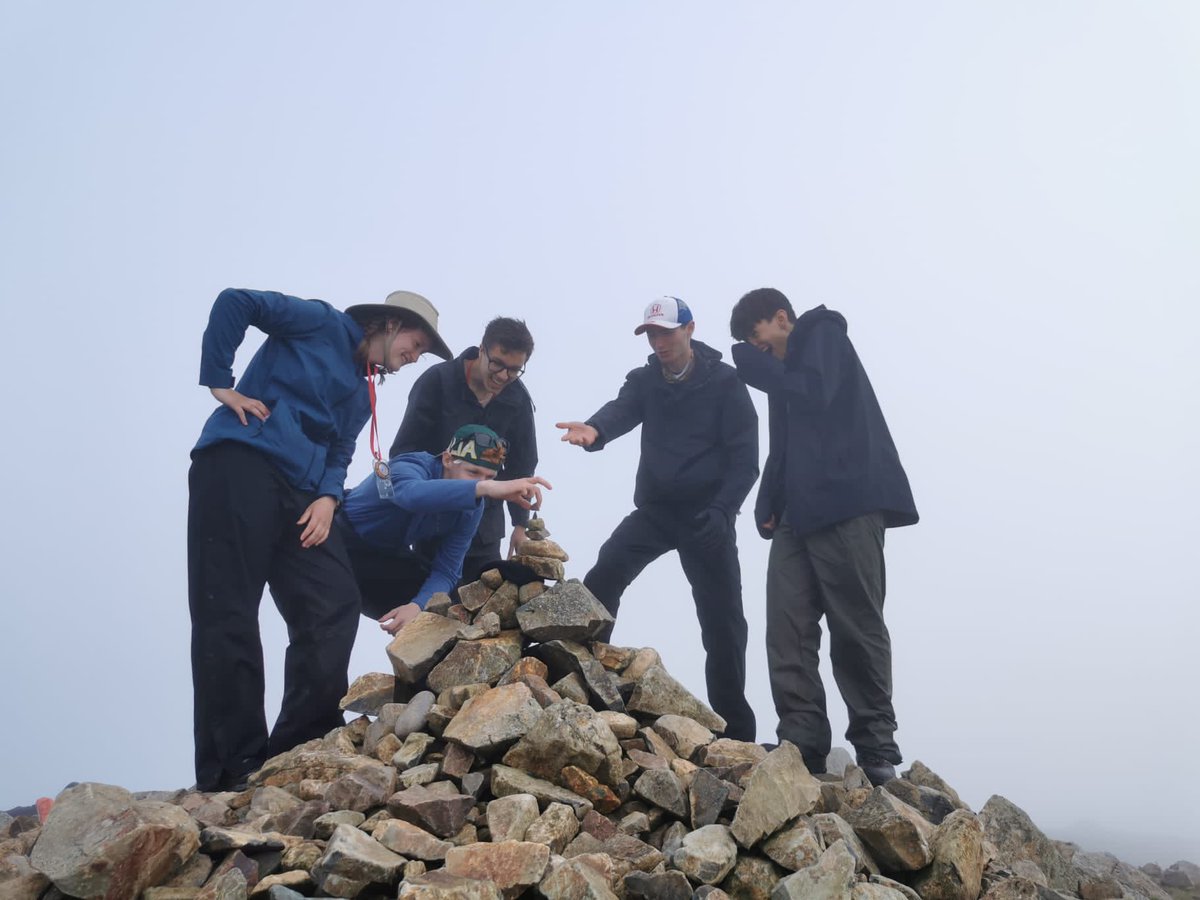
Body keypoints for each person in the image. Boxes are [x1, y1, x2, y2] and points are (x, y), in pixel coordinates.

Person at [188, 287, 451, 792]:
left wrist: (330, 497)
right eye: (416, 344)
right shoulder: (320, 322)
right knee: (228, 611)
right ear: (390, 324)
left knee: (334, 602)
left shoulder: (363, 387)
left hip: (304, 498)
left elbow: (341, 447)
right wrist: (219, 382)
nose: (414, 358)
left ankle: (295, 750)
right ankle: (231, 768)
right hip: (240, 463)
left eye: (420, 354)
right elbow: (235, 302)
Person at [729, 287, 919, 786]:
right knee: (786, 629)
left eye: (758, 337)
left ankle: (877, 751)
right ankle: (803, 743)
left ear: (782, 318)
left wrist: (757, 366)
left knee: (856, 626)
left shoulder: (823, 335)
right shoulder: (783, 374)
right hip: (798, 513)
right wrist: (769, 500)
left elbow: (816, 393)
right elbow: (784, 445)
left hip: (849, 502)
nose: (759, 349)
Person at [557, 297, 760, 742]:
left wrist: (723, 511)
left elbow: (746, 461)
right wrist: (596, 431)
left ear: (690, 329)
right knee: (606, 572)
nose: (659, 342)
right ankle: (585, 684)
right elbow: (622, 409)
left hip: (709, 516)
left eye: (666, 332)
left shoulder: (726, 383)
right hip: (657, 510)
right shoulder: (646, 380)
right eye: (652, 334)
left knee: (724, 621)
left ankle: (736, 734)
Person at [340, 424, 552, 635]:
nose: (481, 481)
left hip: (383, 557)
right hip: (336, 538)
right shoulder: (408, 465)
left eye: (489, 476)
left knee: (447, 611)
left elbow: (447, 570)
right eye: (473, 472)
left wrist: (417, 606)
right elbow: (411, 495)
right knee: (329, 618)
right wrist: (485, 487)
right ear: (448, 459)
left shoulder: (470, 507)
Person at [389, 318, 538, 581]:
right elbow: (403, 451)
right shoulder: (438, 381)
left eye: (515, 370)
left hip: (485, 531)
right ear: (482, 350)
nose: (504, 376)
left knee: (486, 613)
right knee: (432, 609)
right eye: (498, 364)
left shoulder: (518, 399)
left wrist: (520, 525)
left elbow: (522, 465)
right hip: (432, 520)